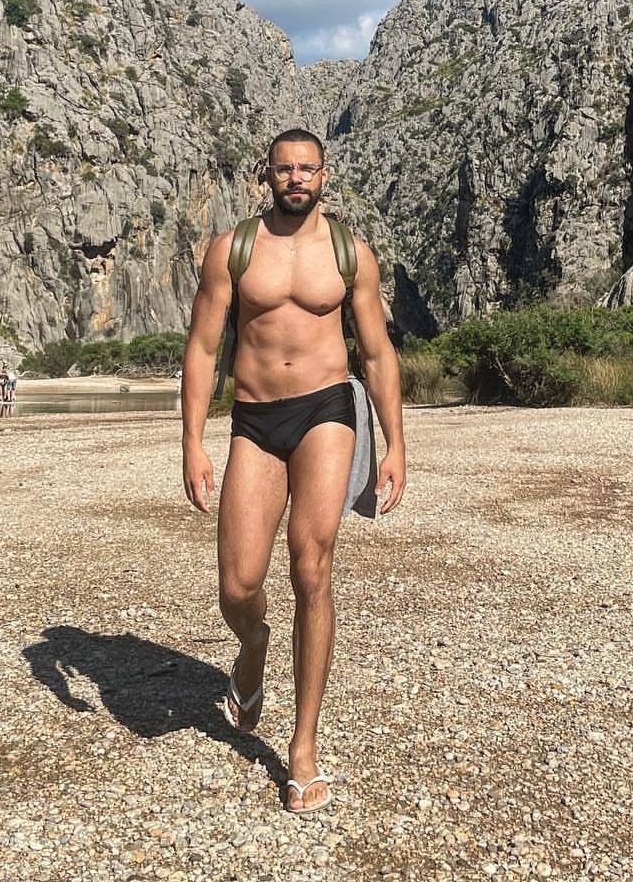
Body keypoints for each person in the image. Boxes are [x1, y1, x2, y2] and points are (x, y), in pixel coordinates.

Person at [181, 128, 406, 814]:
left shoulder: (349, 253)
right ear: (267, 176)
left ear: (324, 175)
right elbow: (202, 347)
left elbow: (377, 353)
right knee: (238, 584)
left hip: (326, 410)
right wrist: (192, 442)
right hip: (254, 418)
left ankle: (302, 748)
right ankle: (253, 647)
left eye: (308, 168)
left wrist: (396, 443)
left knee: (312, 566)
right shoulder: (233, 250)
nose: (297, 178)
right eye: (285, 169)